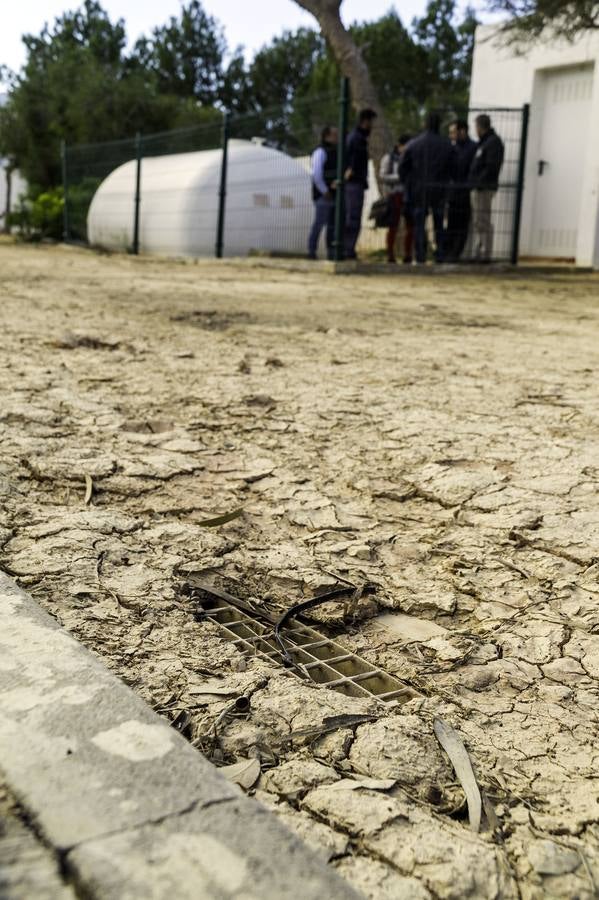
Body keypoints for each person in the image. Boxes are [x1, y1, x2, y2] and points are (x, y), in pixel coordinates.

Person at [399, 112, 453, 264]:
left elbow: (403, 168)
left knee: (419, 224)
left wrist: (408, 183)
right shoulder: (446, 144)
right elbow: (453, 167)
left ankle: (421, 254)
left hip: (418, 189)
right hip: (439, 189)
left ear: (425, 124)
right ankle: (440, 254)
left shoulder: (413, 144)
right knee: (439, 224)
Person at [469, 113, 505, 262]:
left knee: (483, 220)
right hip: (478, 187)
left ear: (480, 126)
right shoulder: (484, 142)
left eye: (476, 126)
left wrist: (479, 182)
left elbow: (491, 166)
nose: (475, 130)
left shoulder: (493, 143)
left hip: (484, 188)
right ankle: (478, 251)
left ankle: (485, 253)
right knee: (478, 221)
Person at [344, 108, 377, 260]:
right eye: (371, 122)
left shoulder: (356, 137)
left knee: (351, 217)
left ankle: (348, 249)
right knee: (353, 218)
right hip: (354, 183)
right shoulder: (356, 139)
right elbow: (352, 160)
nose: (372, 126)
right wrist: (350, 170)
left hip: (355, 183)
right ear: (366, 121)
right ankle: (348, 250)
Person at [445, 119, 477, 262]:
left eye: (453, 132)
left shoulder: (473, 148)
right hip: (453, 193)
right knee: (451, 224)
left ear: (462, 131)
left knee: (462, 226)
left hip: (465, 192)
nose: (451, 135)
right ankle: (448, 252)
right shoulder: (452, 148)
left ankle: (455, 254)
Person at [379, 133, 414, 264]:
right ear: (400, 146)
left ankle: (408, 254)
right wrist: (400, 177)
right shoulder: (389, 158)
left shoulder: (412, 158)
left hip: (408, 195)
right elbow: (382, 176)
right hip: (394, 195)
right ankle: (390, 254)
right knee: (393, 226)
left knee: (411, 226)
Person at [308, 125, 338, 260]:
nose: (337, 137)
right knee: (319, 223)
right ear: (327, 136)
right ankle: (311, 250)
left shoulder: (335, 152)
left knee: (332, 225)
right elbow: (316, 175)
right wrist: (325, 191)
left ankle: (331, 252)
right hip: (323, 195)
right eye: (334, 135)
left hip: (334, 194)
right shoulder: (320, 151)